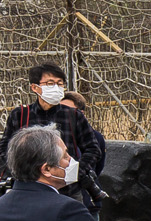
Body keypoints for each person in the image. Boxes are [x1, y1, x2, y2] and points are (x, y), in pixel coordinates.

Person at [1, 63, 106, 213]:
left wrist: (75, 172)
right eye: (50, 84)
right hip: (29, 191)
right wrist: (21, 173)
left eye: (60, 83)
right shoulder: (20, 115)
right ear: (34, 87)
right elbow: (5, 149)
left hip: (68, 191)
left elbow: (93, 148)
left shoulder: (73, 116)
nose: (56, 87)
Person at [0, 126, 99, 221]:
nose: (71, 160)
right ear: (47, 169)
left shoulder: (3, 206)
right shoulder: (67, 209)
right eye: (65, 156)